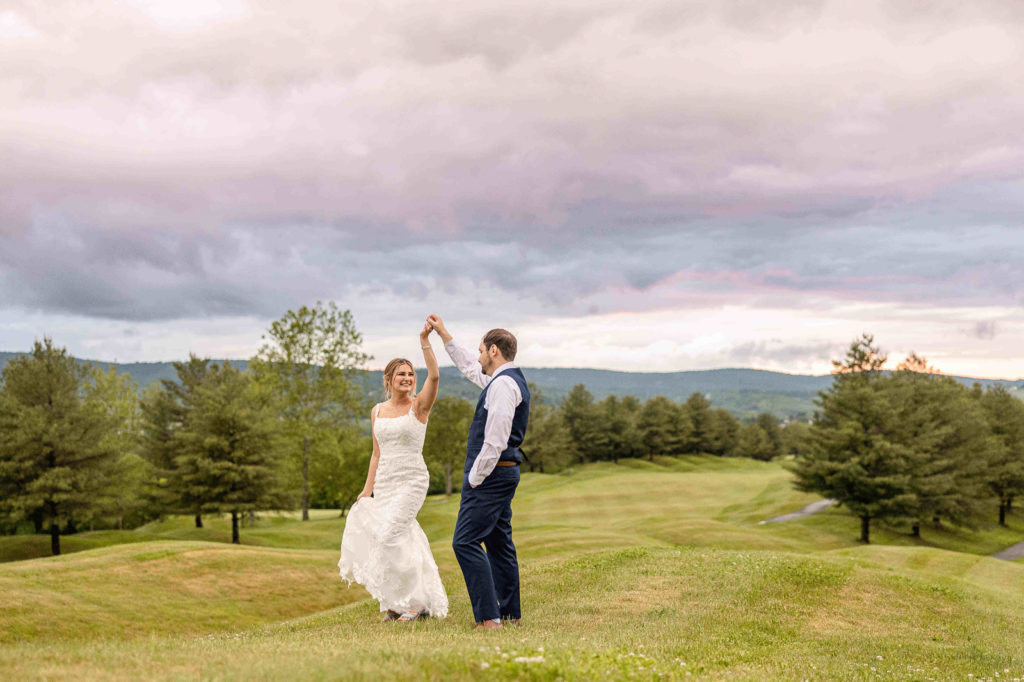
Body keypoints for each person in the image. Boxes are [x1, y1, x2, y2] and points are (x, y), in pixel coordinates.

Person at [337, 324, 448, 621]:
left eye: (411, 374)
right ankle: (397, 603)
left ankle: (415, 605)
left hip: (411, 479)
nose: (408, 378)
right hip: (385, 481)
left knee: (390, 536)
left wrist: (424, 340)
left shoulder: (419, 407)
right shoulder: (377, 411)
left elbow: (435, 376)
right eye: (401, 374)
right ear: (388, 379)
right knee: (398, 539)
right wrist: (366, 489)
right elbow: (376, 454)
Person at [426, 314, 530, 630]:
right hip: (503, 473)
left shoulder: (503, 386)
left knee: (465, 542)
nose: (479, 356)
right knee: (499, 543)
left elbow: (495, 439)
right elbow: (470, 368)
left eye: (482, 350)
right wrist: (445, 335)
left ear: (494, 351)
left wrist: (475, 477)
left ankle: (488, 618)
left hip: (491, 475)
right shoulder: (506, 380)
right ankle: (510, 615)